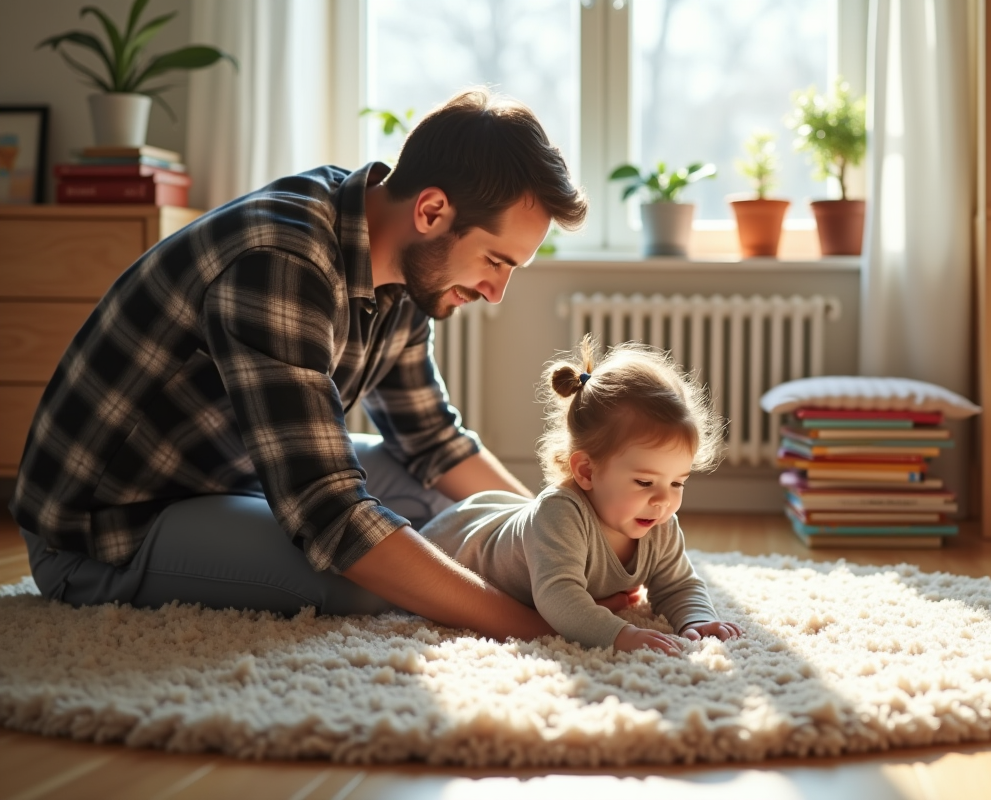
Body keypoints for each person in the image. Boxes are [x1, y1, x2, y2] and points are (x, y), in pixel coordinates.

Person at [8, 89, 587, 642]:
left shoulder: (407, 267)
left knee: (441, 507)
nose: (496, 292)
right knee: (358, 578)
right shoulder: (281, 261)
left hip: (240, 474)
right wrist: (537, 623)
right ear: (432, 210)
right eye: (494, 260)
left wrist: (562, 543)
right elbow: (329, 512)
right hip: (108, 529)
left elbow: (433, 441)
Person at [418, 336, 744, 655]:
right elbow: (559, 597)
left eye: (677, 483)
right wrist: (618, 634)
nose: (664, 501)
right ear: (587, 471)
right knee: (376, 597)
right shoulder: (559, 514)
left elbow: (678, 584)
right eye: (645, 482)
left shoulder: (661, 525)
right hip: (455, 546)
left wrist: (699, 619)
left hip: (509, 525)